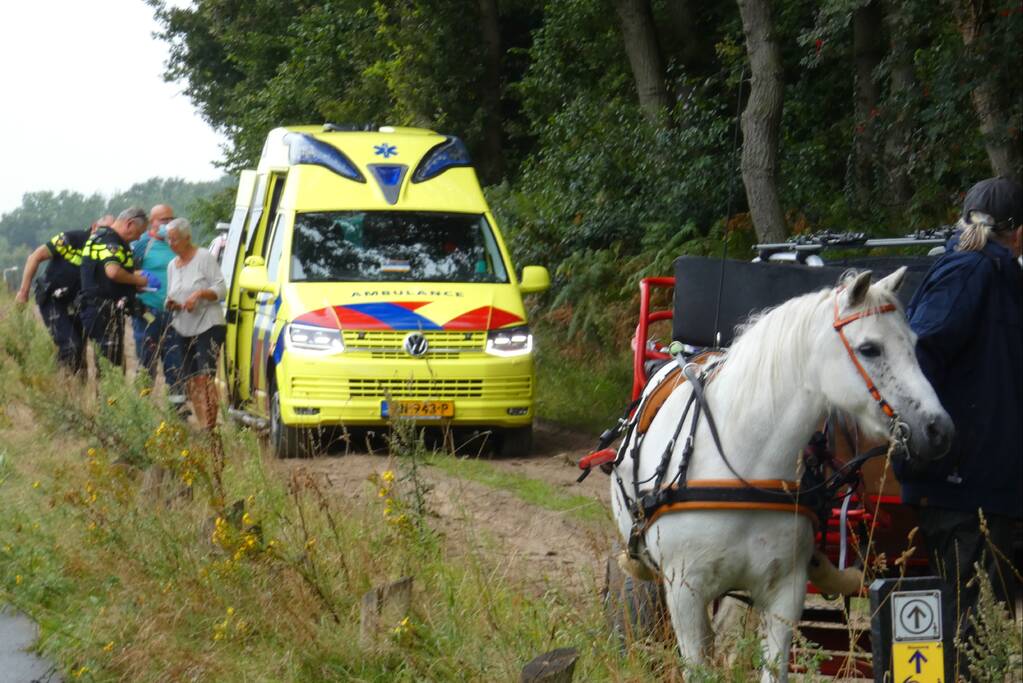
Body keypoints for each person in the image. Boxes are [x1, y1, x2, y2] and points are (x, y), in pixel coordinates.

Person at [897, 176, 1022, 669]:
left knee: (980, 636)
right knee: (971, 640)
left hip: (988, 488)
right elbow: (918, 357)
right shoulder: (969, 273)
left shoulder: (998, 277)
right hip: (964, 490)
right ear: (1018, 233)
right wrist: (936, 454)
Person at [13, 215, 111, 373]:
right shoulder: (71, 238)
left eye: (110, 233)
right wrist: (23, 292)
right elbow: (35, 257)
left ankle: (68, 385)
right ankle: (57, 379)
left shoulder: (106, 251)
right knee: (70, 346)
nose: (106, 236)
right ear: (94, 227)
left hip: (78, 303)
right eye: (104, 230)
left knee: (79, 354)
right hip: (52, 299)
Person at [165, 218, 227, 430]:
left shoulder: (204, 257)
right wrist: (171, 303)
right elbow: (172, 294)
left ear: (187, 238)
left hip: (208, 324)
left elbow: (221, 289)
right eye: (169, 239)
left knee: (204, 376)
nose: (171, 244)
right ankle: (203, 425)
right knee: (191, 380)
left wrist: (200, 294)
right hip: (183, 326)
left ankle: (210, 428)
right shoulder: (172, 266)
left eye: (175, 239)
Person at [78, 207, 159, 369]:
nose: (139, 237)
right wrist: (139, 280)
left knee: (109, 362)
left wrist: (131, 286)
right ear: (129, 224)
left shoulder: (101, 237)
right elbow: (113, 272)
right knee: (111, 364)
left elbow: (105, 276)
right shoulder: (111, 241)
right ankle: (109, 387)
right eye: (139, 232)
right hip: (103, 310)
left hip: (100, 308)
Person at [132, 204, 186, 412]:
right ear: (152, 222)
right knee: (146, 362)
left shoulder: (178, 244)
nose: (169, 223)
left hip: (175, 314)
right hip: (148, 313)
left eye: (172, 219)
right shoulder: (142, 245)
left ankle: (178, 410)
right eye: (164, 220)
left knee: (175, 363)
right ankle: (142, 409)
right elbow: (126, 272)